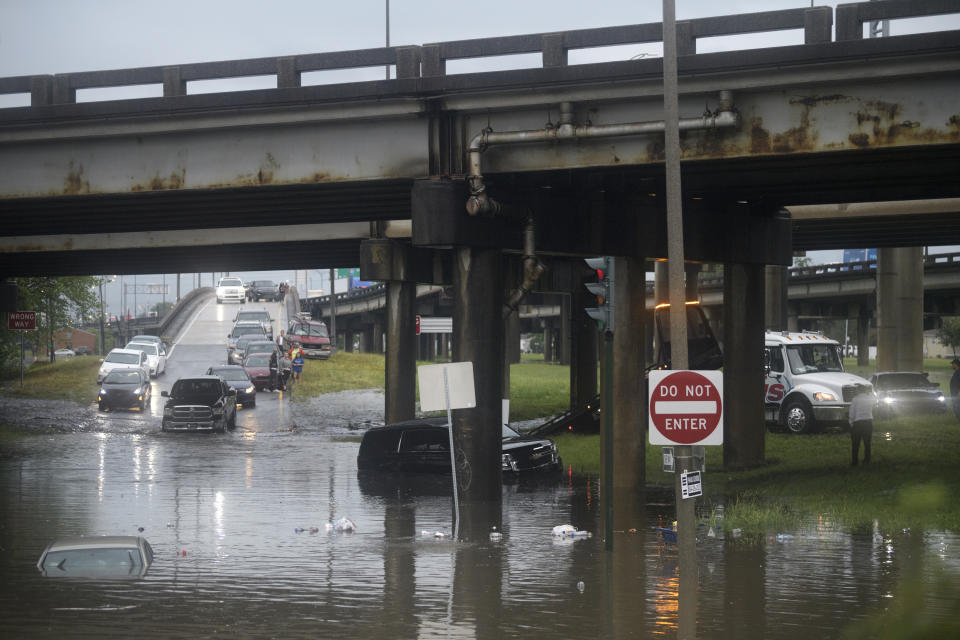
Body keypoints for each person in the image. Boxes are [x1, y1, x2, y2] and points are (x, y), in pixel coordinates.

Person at [848, 386, 875, 466]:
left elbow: (852, 412)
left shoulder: (855, 399)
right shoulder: (870, 398)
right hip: (868, 422)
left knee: (855, 444)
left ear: (858, 390)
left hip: (858, 422)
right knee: (867, 443)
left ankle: (855, 461)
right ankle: (867, 459)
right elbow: (874, 396)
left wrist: (851, 422)